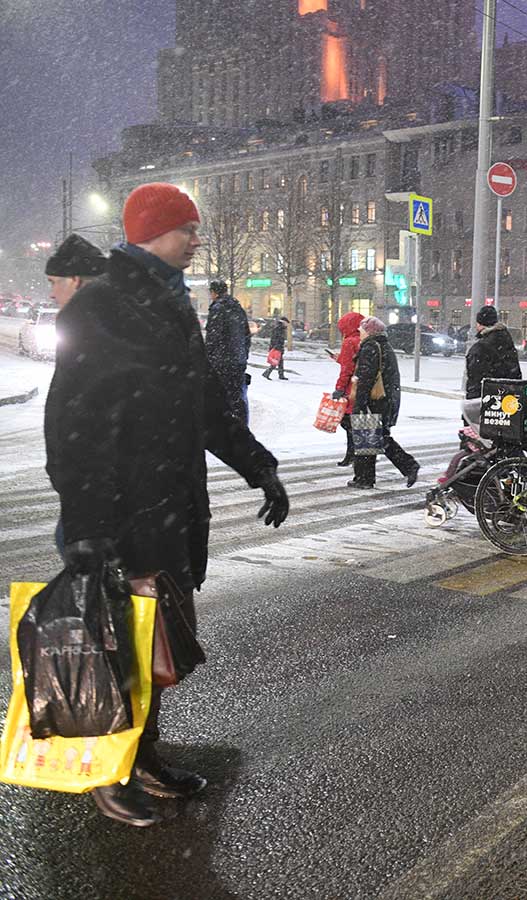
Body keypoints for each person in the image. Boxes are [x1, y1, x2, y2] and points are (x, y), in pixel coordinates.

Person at [44, 182, 290, 828]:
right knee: (113, 648)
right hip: (119, 518)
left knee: (155, 650)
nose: (197, 239)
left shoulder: (173, 304)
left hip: (169, 511)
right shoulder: (102, 304)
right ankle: (108, 769)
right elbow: (73, 428)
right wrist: (89, 530)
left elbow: (206, 405)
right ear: (153, 231)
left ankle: (144, 758)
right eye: (188, 229)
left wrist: (260, 467)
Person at [349, 316, 420, 489]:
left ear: (370, 331)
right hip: (385, 399)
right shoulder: (384, 345)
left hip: (374, 400)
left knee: (372, 438)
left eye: (362, 330)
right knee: (375, 438)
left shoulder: (370, 347)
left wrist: (359, 404)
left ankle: (367, 477)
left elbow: (366, 378)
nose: (360, 333)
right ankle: (365, 477)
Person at [204, 280, 251, 422]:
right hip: (238, 361)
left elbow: (213, 337)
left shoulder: (218, 309)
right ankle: (241, 429)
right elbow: (246, 335)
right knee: (237, 397)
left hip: (221, 362)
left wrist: (208, 359)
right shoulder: (238, 308)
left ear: (214, 292)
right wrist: (243, 356)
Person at [331, 311, 365, 467]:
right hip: (364, 388)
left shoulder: (349, 342)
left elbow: (347, 369)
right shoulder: (364, 339)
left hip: (352, 389)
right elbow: (355, 364)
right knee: (361, 424)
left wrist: (339, 388)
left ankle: (353, 455)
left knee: (348, 423)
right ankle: (360, 457)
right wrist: (340, 358)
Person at [464, 306, 521, 399]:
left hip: (488, 402)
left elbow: (476, 380)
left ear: (480, 324)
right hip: (508, 398)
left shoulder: (480, 348)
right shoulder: (507, 341)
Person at [45, 234, 107, 308]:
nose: (52, 295)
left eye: (53, 282)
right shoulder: (116, 312)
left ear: (74, 281)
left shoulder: (81, 318)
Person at [262, 315, 289, 379]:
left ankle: (281, 375)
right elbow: (275, 339)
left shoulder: (280, 328)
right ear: (283, 322)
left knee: (280, 362)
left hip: (278, 347)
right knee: (275, 362)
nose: (287, 325)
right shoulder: (279, 329)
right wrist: (277, 347)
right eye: (286, 323)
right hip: (277, 348)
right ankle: (266, 373)